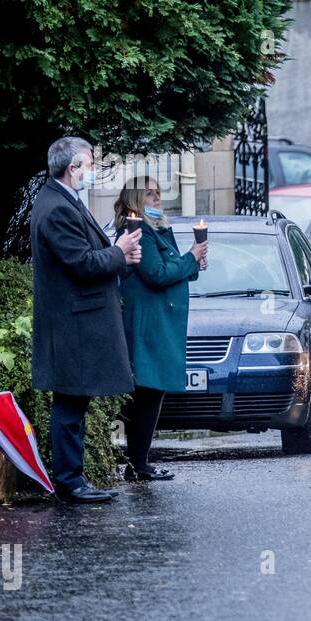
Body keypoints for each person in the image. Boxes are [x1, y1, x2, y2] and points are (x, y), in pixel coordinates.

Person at [31, 137, 143, 504]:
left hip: (77, 320)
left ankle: (72, 477)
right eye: (90, 164)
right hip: (73, 323)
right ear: (72, 168)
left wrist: (113, 251)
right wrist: (119, 252)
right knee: (70, 401)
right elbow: (81, 263)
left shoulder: (62, 201)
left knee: (75, 401)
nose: (93, 172)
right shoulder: (57, 207)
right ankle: (69, 479)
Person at [115, 177, 207, 481]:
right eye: (149, 194)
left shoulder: (160, 230)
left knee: (152, 393)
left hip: (161, 322)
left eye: (158, 193)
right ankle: (138, 464)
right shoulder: (137, 232)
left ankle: (139, 462)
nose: (157, 199)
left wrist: (193, 261)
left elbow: (177, 270)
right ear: (135, 201)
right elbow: (156, 273)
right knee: (147, 392)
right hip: (148, 324)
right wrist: (190, 259)